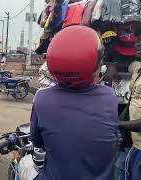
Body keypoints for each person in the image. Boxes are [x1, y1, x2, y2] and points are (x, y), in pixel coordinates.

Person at [30, 26, 118, 180]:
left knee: (26, 168)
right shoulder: (109, 97)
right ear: (96, 65)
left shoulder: (41, 98)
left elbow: (37, 141)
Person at [116, 61, 141, 180]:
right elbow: (130, 64)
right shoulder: (138, 69)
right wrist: (112, 65)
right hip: (131, 143)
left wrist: (118, 125)